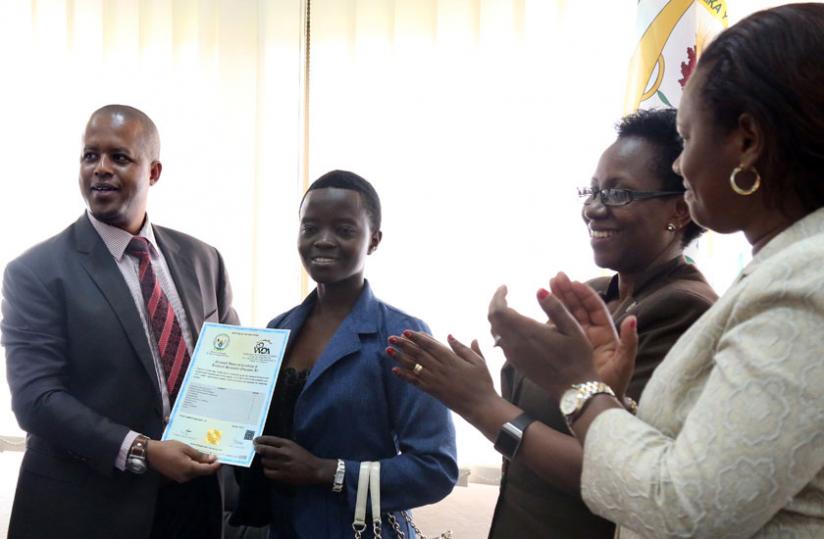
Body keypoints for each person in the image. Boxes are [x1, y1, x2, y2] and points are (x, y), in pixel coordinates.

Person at [390, 3, 824, 537]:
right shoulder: (606, 296)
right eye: (592, 191)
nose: (683, 164)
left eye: (686, 139)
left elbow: (686, 506)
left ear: (748, 142)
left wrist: (574, 390)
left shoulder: (800, 285)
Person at [1, 105, 239, 539]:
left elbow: (231, 370)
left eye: (120, 157)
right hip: (87, 510)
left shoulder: (205, 260)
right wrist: (145, 451)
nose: (101, 169)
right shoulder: (35, 272)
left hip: (196, 503)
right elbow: (36, 399)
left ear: (154, 172)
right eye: (90, 156)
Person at [489, 109, 716, 538]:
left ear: (679, 210)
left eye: (618, 194)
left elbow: (614, 468)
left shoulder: (683, 308)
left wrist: (477, 404)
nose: (594, 208)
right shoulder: (593, 296)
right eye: (592, 191)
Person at [231, 170, 458, 538]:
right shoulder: (277, 329)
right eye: (310, 228)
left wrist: (327, 471)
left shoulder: (404, 337)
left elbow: (436, 469)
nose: (323, 241)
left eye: (344, 230)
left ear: (374, 240)